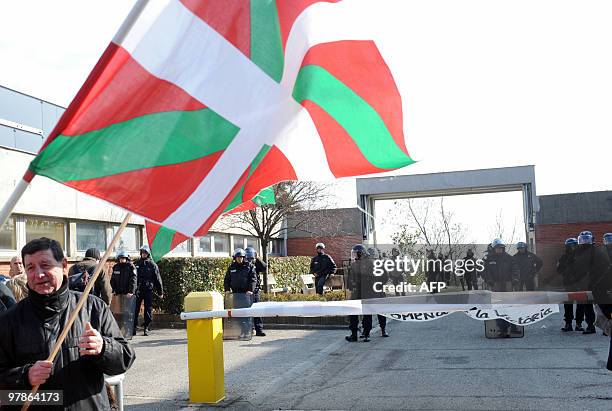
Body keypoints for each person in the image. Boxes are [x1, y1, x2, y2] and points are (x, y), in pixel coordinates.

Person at [0, 237, 135, 409]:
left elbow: (125, 358)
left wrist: (103, 348)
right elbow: (4, 389)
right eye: (30, 267)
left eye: (45, 265)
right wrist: (25, 376)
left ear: (63, 265)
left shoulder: (93, 307)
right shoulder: (10, 320)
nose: (38, 274)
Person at [570, 230, 611, 334]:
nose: (584, 242)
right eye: (582, 240)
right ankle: (590, 326)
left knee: (603, 306)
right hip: (585, 284)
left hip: (598, 284)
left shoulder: (598, 251)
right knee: (587, 306)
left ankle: (607, 327)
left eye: (586, 239)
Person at [346, 244, 389, 342]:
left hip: (372, 292)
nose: (354, 256)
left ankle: (377, 330)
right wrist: (352, 285)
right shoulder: (354, 265)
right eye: (353, 254)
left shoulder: (373, 263)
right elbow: (350, 280)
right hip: (357, 293)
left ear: (361, 253)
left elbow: (384, 277)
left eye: (355, 254)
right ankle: (354, 334)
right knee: (353, 313)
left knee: (376, 312)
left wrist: (377, 285)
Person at [483, 239, 519, 336]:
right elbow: (485, 272)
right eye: (497, 248)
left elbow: (515, 269)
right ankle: (502, 329)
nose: (499, 250)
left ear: (503, 248)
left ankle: (513, 326)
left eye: (500, 248)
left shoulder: (509, 258)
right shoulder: (489, 259)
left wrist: (514, 280)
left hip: (508, 285)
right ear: (494, 249)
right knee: (497, 307)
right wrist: (489, 281)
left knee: (510, 306)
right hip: (495, 285)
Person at [224, 248, 258, 338]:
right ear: (235, 258)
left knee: (246, 314)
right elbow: (227, 280)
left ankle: (247, 331)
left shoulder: (249, 266)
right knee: (238, 314)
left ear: (244, 257)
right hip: (236, 294)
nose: (240, 259)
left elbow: (253, 279)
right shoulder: (232, 267)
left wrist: (250, 290)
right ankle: (242, 331)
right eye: (238, 257)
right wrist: (227, 289)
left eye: (242, 257)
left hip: (246, 294)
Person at [134, 245, 163, 336]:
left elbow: (158, 279)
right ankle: (133, 327)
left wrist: (160, 292)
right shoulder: (136, 264)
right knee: (135, 309)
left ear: (148, 254)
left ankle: (146, 327)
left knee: (148, 309)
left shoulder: (152, 265)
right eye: (142, 252)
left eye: (145, 253)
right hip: (138, 290)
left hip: (148, 290)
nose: (143, 254)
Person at [557, 238, 584, 331]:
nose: (572, 247)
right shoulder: (563, 257)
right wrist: (567, 272)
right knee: (568, 304)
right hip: (568, 284)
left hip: (580, 284)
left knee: (580, 304)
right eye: (570, 246)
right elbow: (559, 270)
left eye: (574, 245)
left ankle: (579, 324)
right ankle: (568, 323)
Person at [245, 246, 266, 337]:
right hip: (245, 291)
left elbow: (264, 268)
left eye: (251, 258)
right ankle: (248, 329)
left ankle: (259, 329)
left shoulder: (256, 264)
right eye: (248, 258)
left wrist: (258, 258)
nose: (250, 260)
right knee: (246, 311)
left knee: (257, 310)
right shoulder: (243, 264)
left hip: (255, 290)